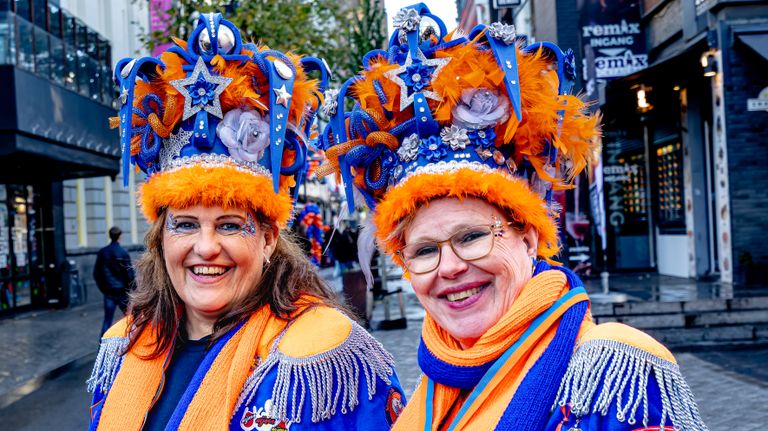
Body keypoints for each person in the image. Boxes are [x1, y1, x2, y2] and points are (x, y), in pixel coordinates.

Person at [320, 4, 707, 430]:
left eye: (471, 237)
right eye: (425, 250)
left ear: (527, 237)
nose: (449, 267)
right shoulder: (435, 386)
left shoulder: (612, 379)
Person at [87, 13, 403, 430]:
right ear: (161, 237)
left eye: (230, 225)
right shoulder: (120, 348)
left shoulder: (330, 359)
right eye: (184, 224)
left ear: (270, 238)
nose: (205, 247)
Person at [93, 226, 134, 335]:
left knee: (107, 320)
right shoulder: (123, 252)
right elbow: (129, 274)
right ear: (120, 236)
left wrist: (104, 289)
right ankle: (130, 345)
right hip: (122, 292)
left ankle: (103, 348)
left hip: (109, 293)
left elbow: (97, 273)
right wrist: (132, 289)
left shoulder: (103, 252)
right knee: (129, 320)